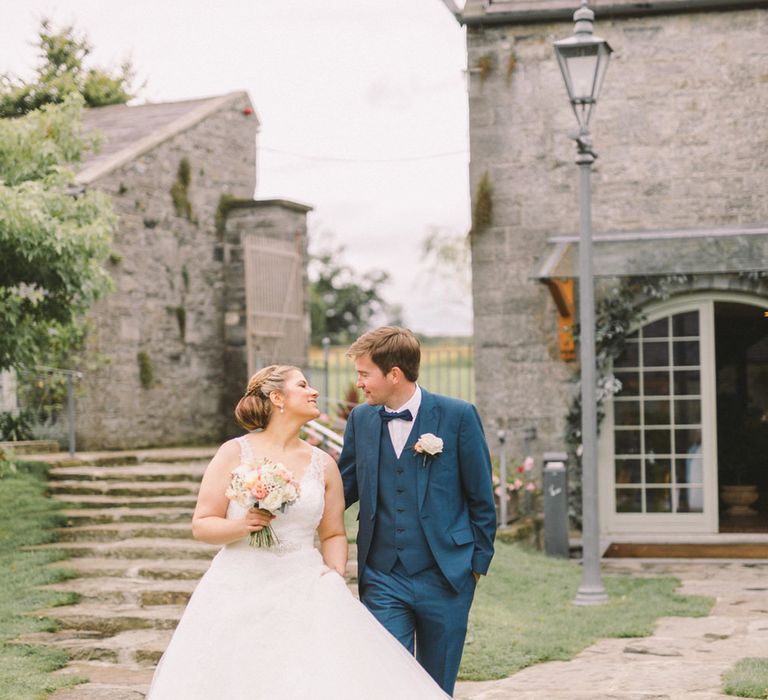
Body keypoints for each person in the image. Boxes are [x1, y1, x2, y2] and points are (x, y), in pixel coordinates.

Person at [147, 364, 448, 699]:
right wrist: (241, 525)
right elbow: (202, 524)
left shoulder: (324, 464)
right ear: (277, 397)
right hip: (238, 587)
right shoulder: (234, 452)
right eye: (303, 385)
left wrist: (334, 574)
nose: (313, 392)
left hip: (306, 587)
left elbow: (333, 534)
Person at [339, 327, 497, 696]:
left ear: (394, 373)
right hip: (382, 576)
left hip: (446, 576)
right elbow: (343, 488)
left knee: (436, 686)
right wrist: (291, 507)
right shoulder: (360, 421)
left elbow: (482, 500)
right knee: (389, 682)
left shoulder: (458, 417)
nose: (359, 383)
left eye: (364, 373)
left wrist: (475, 565)